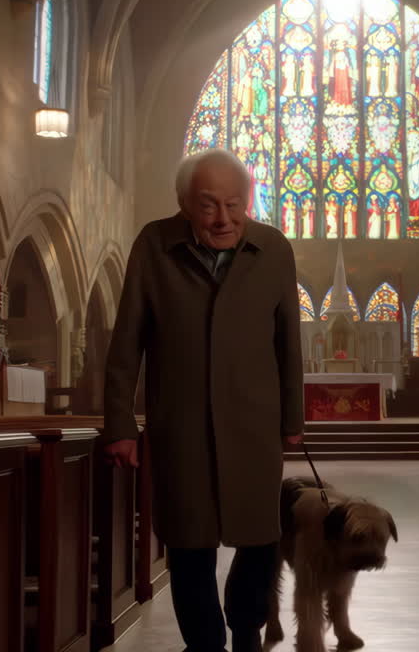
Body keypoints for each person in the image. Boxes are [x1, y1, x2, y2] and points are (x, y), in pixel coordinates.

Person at [102, 148, 305, 652]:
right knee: (188, 544)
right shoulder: (154, 245)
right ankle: (204, 644)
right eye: (209, 205)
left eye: (234, 205)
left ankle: (246, 627)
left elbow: (288, 341)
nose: (223, 219)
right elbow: (127, 341)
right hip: (182, 424)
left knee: (260, 538)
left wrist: (292, 418)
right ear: (184, 203)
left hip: (254, 423)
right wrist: (120, 424)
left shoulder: (273, 248)